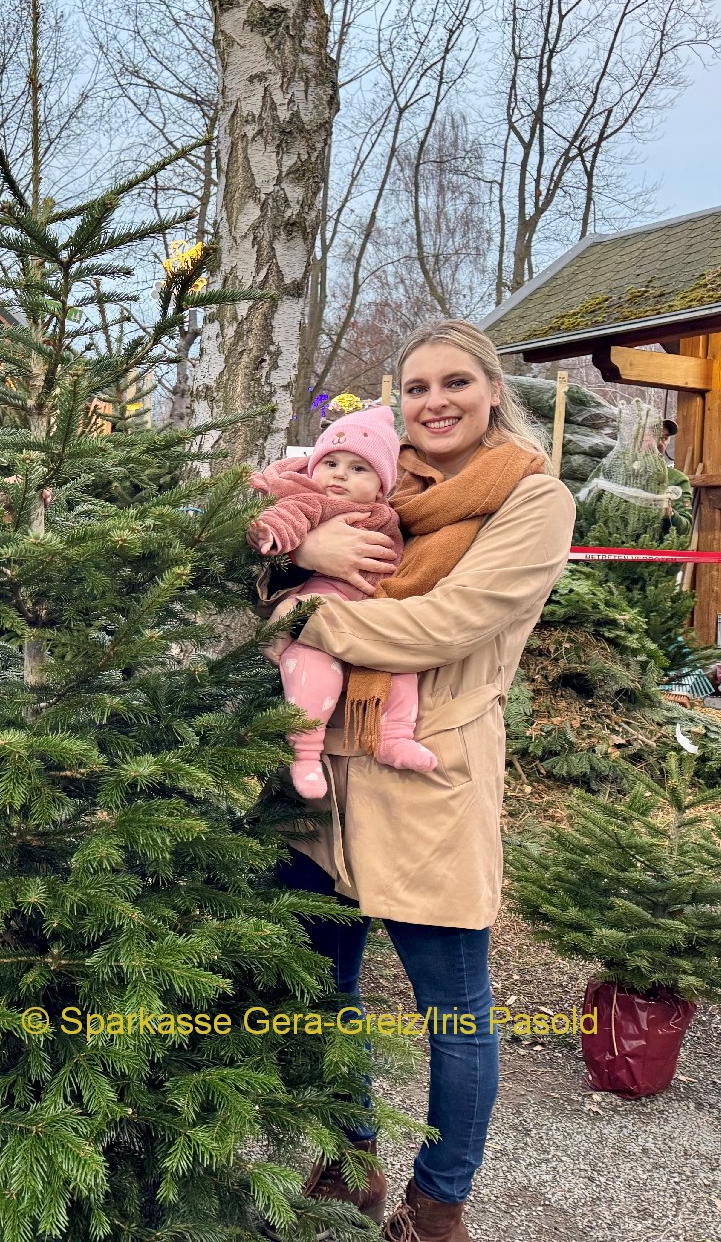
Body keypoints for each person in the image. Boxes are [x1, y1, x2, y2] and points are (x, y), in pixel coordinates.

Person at [258, 319, 574, 1242]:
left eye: (455, 384)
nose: (435, 402)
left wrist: (308, 621)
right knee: (322, 986)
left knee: (455, 1008)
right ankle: (349, 1159)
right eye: (417, 386)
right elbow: (254, 552)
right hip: (318, 773)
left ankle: (437, 1207)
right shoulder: (359, 478)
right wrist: (304, 555)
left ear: (490, 391)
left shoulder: (529, 496)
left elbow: (451, 624)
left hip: (427, 765)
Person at [247, 404, 437, 797]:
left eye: (358, 469)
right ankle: (305, 754)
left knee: (401, 671)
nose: (339, 475)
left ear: (382, 487)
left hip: (374, 610)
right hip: (322, 603)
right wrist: (276, 539)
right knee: (314, 669)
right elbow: (289, 518)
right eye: (330, 462)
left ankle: (394, 736)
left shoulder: (390, 515)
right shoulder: (317, 501)